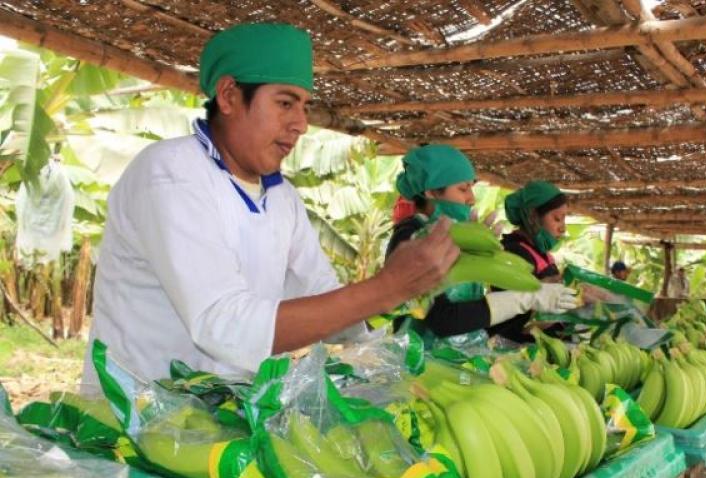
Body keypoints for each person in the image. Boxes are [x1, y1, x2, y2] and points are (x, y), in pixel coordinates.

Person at [82, 23, 460, 383]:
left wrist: (396, 312)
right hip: (138, 421)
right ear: (229, 95)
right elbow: (223, 325)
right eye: (285, 103)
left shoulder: (282, 197)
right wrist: (386, 288)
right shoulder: (171, 174)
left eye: (304, 107)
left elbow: (323, 296)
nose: (300, 123)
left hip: (225, 417)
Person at [385, 144, 577, 345]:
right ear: (432, 192)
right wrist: (522, 299)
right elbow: (443, 321)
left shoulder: (458, 237)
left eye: (471, 188)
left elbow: (479, 325)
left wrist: (535, 297)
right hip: (420, 368)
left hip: (460, 363)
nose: (471, 199)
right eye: (463, 189)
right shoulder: (410, 238)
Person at [488, 180, 571, 343]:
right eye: (557, 219)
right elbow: (513, 317)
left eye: (564, 219)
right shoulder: (513, 253)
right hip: (518, 351)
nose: (563, 228)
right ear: (533, 216)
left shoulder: (543, 254)